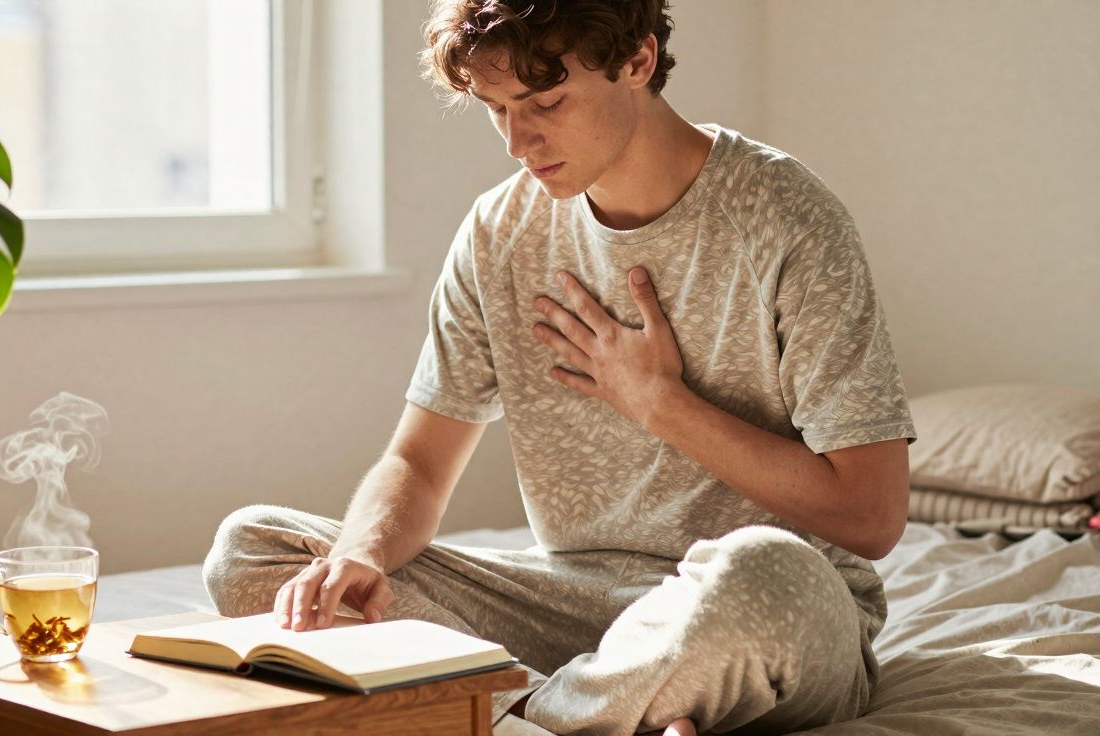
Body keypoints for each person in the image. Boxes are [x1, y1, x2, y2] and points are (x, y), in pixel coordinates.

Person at [203, 2, 917, 734]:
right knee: (256, 549)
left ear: (638, 62)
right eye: (496, 109)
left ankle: (522, 715)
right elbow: (418, 464)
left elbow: (872, 515)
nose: (517, 141)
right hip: (572, 604)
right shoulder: (499, 233)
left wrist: (662, 405)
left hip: (762, 612)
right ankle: (609, 709)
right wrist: (358, 554)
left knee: (762, 573)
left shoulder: (785, 217)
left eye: (546, 102)